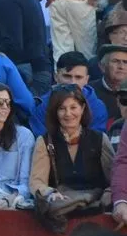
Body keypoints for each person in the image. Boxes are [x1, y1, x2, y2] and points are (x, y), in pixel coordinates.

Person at [29, 84, 113, 232]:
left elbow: (114, 178)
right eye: (62, 108)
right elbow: (37, 181)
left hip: (95, 205)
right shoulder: (45, 141)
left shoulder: (99, 139)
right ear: (55, 112)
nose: (68, 114)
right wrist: (50, 193)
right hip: (61, 206)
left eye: (73, 107)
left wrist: (108, 193)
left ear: (83, 108)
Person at [29, 52, 108, 137]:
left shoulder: (97, 107)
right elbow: (41, 138)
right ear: (56, 77)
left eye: (78, 77)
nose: (72, 82)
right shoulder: (42, 104)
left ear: (86, 80)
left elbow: (95, 140)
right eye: (67, 76)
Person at [90, 45, 127, 124]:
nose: (121, 67)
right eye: (115, 61)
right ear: (102, 66)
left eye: (125, 62)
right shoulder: (89, 92)